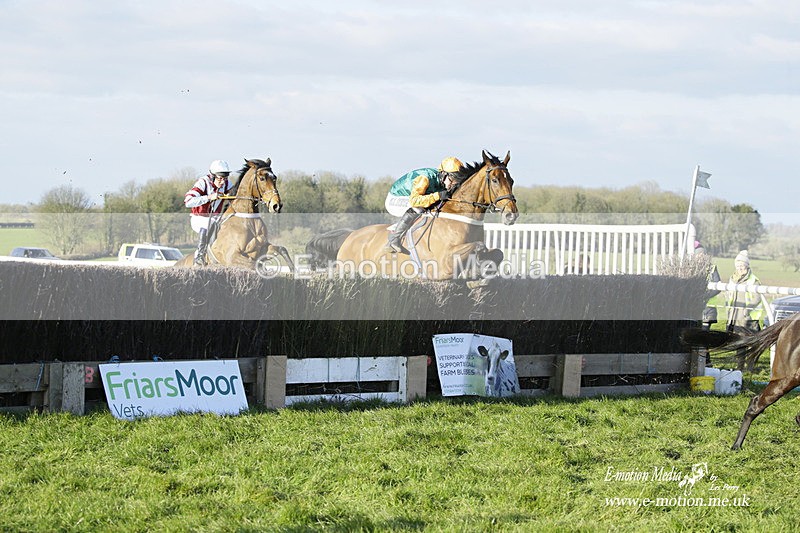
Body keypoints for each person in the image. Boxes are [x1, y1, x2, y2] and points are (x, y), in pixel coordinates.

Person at [383, 156, 464, 254]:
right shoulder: (425, 178)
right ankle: (393, 240)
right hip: (395, 199)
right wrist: (438, 195)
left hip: (411, 197)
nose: (453, 183)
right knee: (419, 208)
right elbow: (415, 201)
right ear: (444, 174)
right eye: (452, 178)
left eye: (457, 180)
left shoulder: (442, 181)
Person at [184, 160, 234, 265]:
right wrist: (208, 197)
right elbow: (188, 201)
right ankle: (199, 256)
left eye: (225, 178)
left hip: (216, 218)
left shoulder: (227, 184)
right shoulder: (203, 182)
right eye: (220, 178)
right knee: (209, 223)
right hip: (199, 218)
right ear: (212, 176)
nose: (223, 182)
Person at [725, 249, 763, 370]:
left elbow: (757, 297)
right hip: (735, 316)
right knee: (739, 342)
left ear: (747, 265)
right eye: (738, 266)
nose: (740, 268)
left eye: (742, 265)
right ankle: (740, 366)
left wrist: (747, 309)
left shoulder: (753, 280)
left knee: (751, 342)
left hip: (748, 317)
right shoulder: (732, 278)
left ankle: (750, 367)